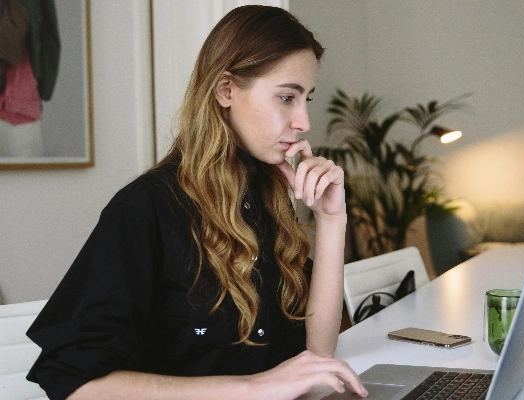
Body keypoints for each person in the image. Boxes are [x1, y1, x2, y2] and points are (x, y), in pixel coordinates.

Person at [26, 5, 368, 400]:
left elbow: (318, 353)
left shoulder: (266, 195)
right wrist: (255, 387)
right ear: (226, 90)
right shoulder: (145, 208)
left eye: (306, 98)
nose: (304, 121)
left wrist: (331, 218)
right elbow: (77, 384)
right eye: (286, 97)